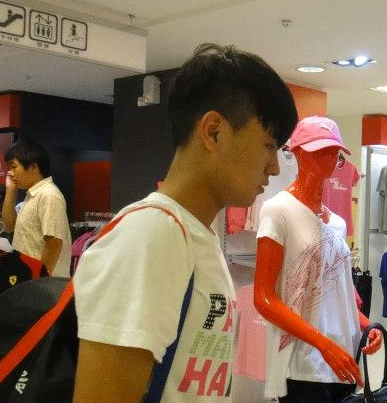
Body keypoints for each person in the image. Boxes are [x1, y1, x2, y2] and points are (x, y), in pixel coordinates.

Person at [72, 43, 298, 403]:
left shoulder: (196, 235)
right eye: (268, 146)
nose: (273, 168)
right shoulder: (149, 235)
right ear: (214, 132)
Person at [254, 116, 383, 403]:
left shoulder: (337, 223)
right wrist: (324, 344)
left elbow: (337, 297)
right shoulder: (278, 210)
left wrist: (368, 325)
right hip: (304, 362)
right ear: (298, 152)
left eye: (334, 151)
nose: (328, 158)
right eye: (319, 150)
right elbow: (263, 297)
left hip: (343, 359)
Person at [1, 138, 71, 277]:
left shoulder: (49, 194)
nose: (10, 173)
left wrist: (39, 277)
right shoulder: (33, 195)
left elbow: (54, 243)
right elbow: (8, 226)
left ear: (34, 167)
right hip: (30, 279)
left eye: (14, 166)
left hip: (45, 284)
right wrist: (10, 191)